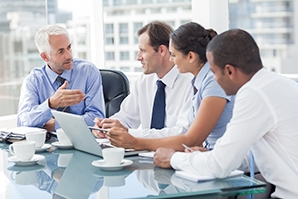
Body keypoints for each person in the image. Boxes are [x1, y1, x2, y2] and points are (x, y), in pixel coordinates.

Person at [154, 29, 298, 199]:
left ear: (230, 71)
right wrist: (210, 155)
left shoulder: (253, 93)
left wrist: (173, 158)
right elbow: (255, 156)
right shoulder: (279, 84)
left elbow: (219, 166)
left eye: (214, 72)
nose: (213, 79)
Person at [98, 22, 234, 152]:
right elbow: (127, 117)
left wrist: (135, 140)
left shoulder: (207, 81)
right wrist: (108, 128)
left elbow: (190, 138)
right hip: (205, 155)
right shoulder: (199, 81)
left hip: (224, 160)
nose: (171, 60)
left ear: (190, 56)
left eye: (173, 55)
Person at [93, 20, 192, 139]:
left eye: (143, 51)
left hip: (175, 154)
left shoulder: (190, 83)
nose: (138, 57)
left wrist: (129, 133)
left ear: (161, 50)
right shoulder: (145, 80)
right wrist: (106, 126)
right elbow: (126, 117)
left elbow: (183, 132)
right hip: (144, 153)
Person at [17, 24, 105, 132]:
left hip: (84, 143)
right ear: (45, 57)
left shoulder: (88, 72)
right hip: (47, 145)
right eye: (61, 51)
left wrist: (56, 125)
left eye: (69, 47)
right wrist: (51, 103)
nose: (69, 56)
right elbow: (23, 122)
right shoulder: (33, 81)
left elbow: (96, 119)